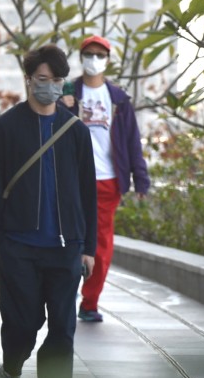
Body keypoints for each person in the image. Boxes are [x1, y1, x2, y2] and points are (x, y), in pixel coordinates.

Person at [0, 44, 97, 378]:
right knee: (22, 325)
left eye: (57, 80)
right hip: (19, 246)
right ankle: (11, 370)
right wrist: (2, 239)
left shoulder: (75, 130)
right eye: (43, 79)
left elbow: (87, 192)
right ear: (29, 80)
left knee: (63, 329)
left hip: (65, 249)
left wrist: (88, 247)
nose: (50, 86)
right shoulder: (6, 127)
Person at [63, 35, 150, 322]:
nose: (94, 59)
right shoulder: (68, 92)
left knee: (101, 246)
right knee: (68, 240)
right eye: (89, 54)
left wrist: (140, 179)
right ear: (81, 57)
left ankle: (90, 302)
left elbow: (132, 141)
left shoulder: (119, 99)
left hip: (107, 181)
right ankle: (63, 297)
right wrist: (64, 105)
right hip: (71, 180)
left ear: (108, 60)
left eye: (100, 55)